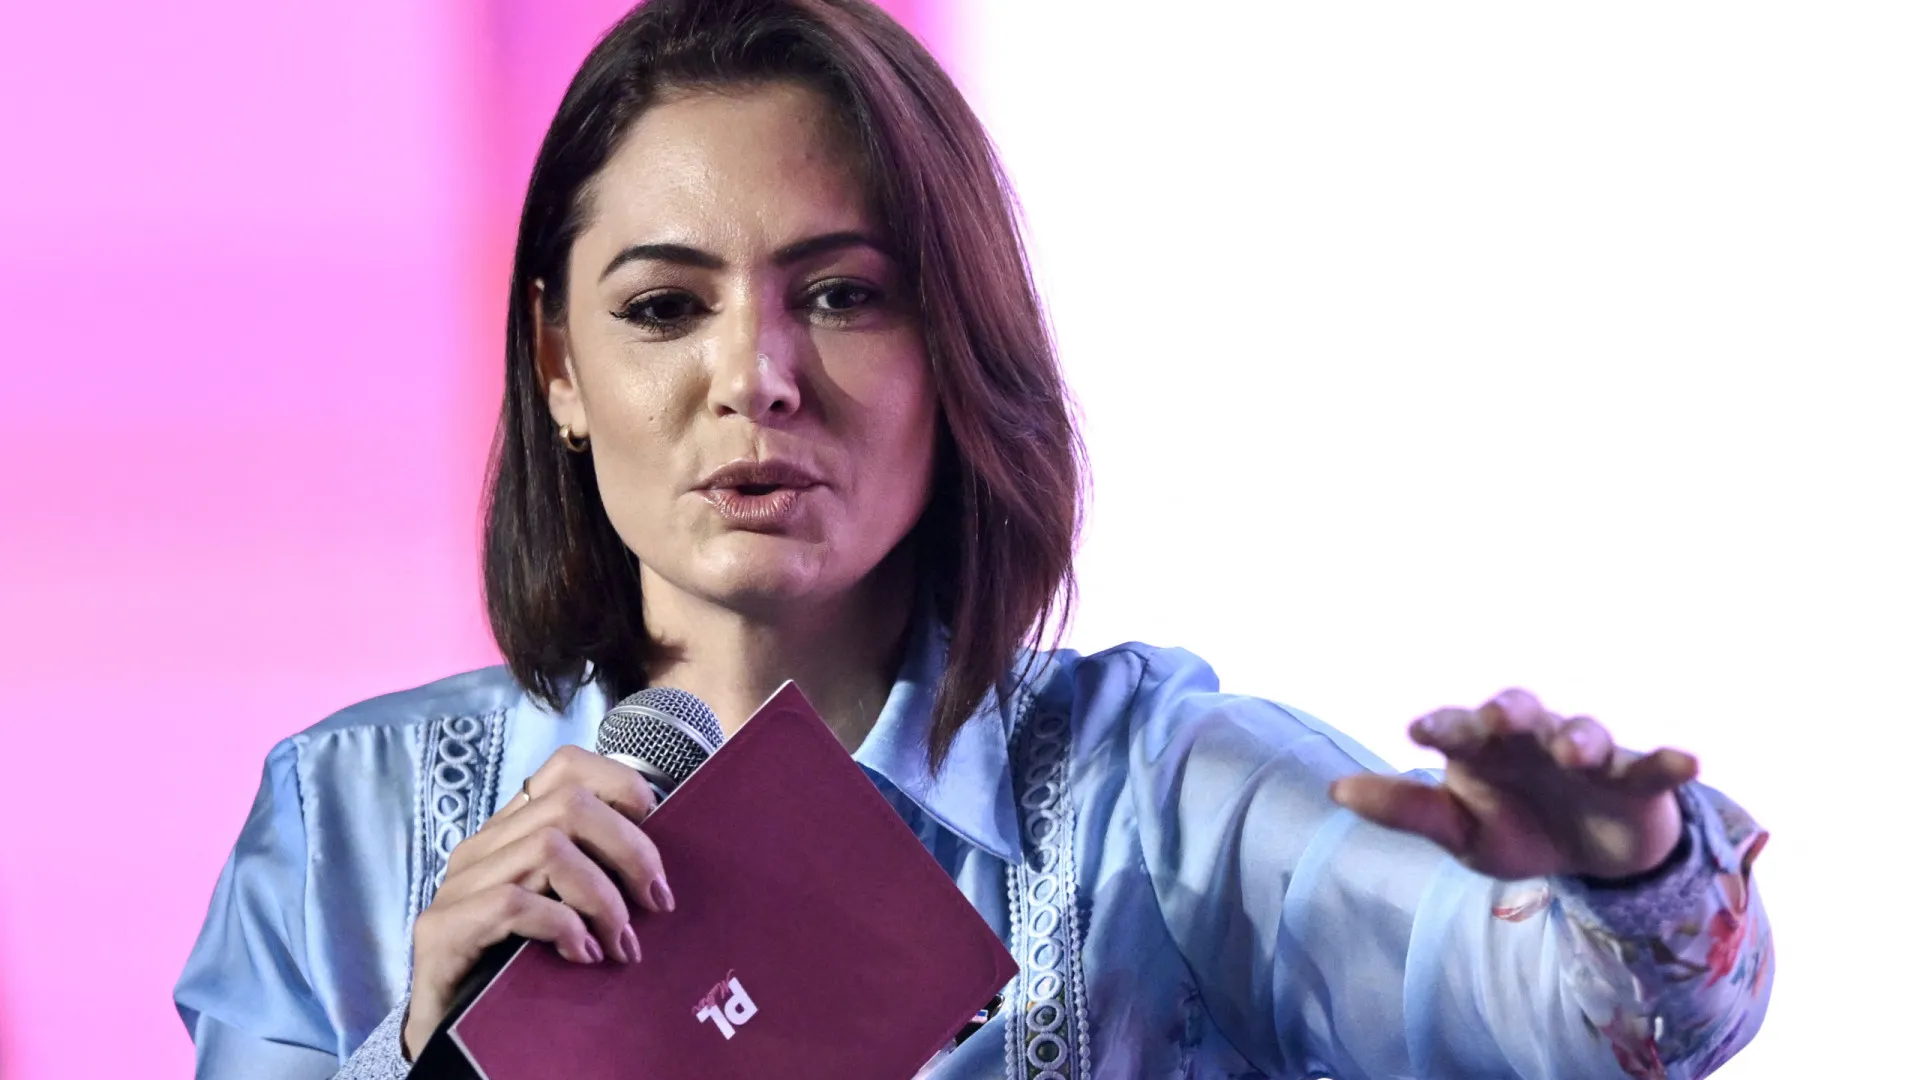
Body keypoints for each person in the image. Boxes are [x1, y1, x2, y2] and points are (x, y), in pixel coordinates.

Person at [173, 1, 1773, 1077]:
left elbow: (1579, 1024)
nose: (755, 376)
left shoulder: (1156, 801)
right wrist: (424, 1053)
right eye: (663, 308)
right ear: (558, 368)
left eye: (841, 295)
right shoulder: (348, 822)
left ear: (956, 345)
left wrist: (1627, 879)